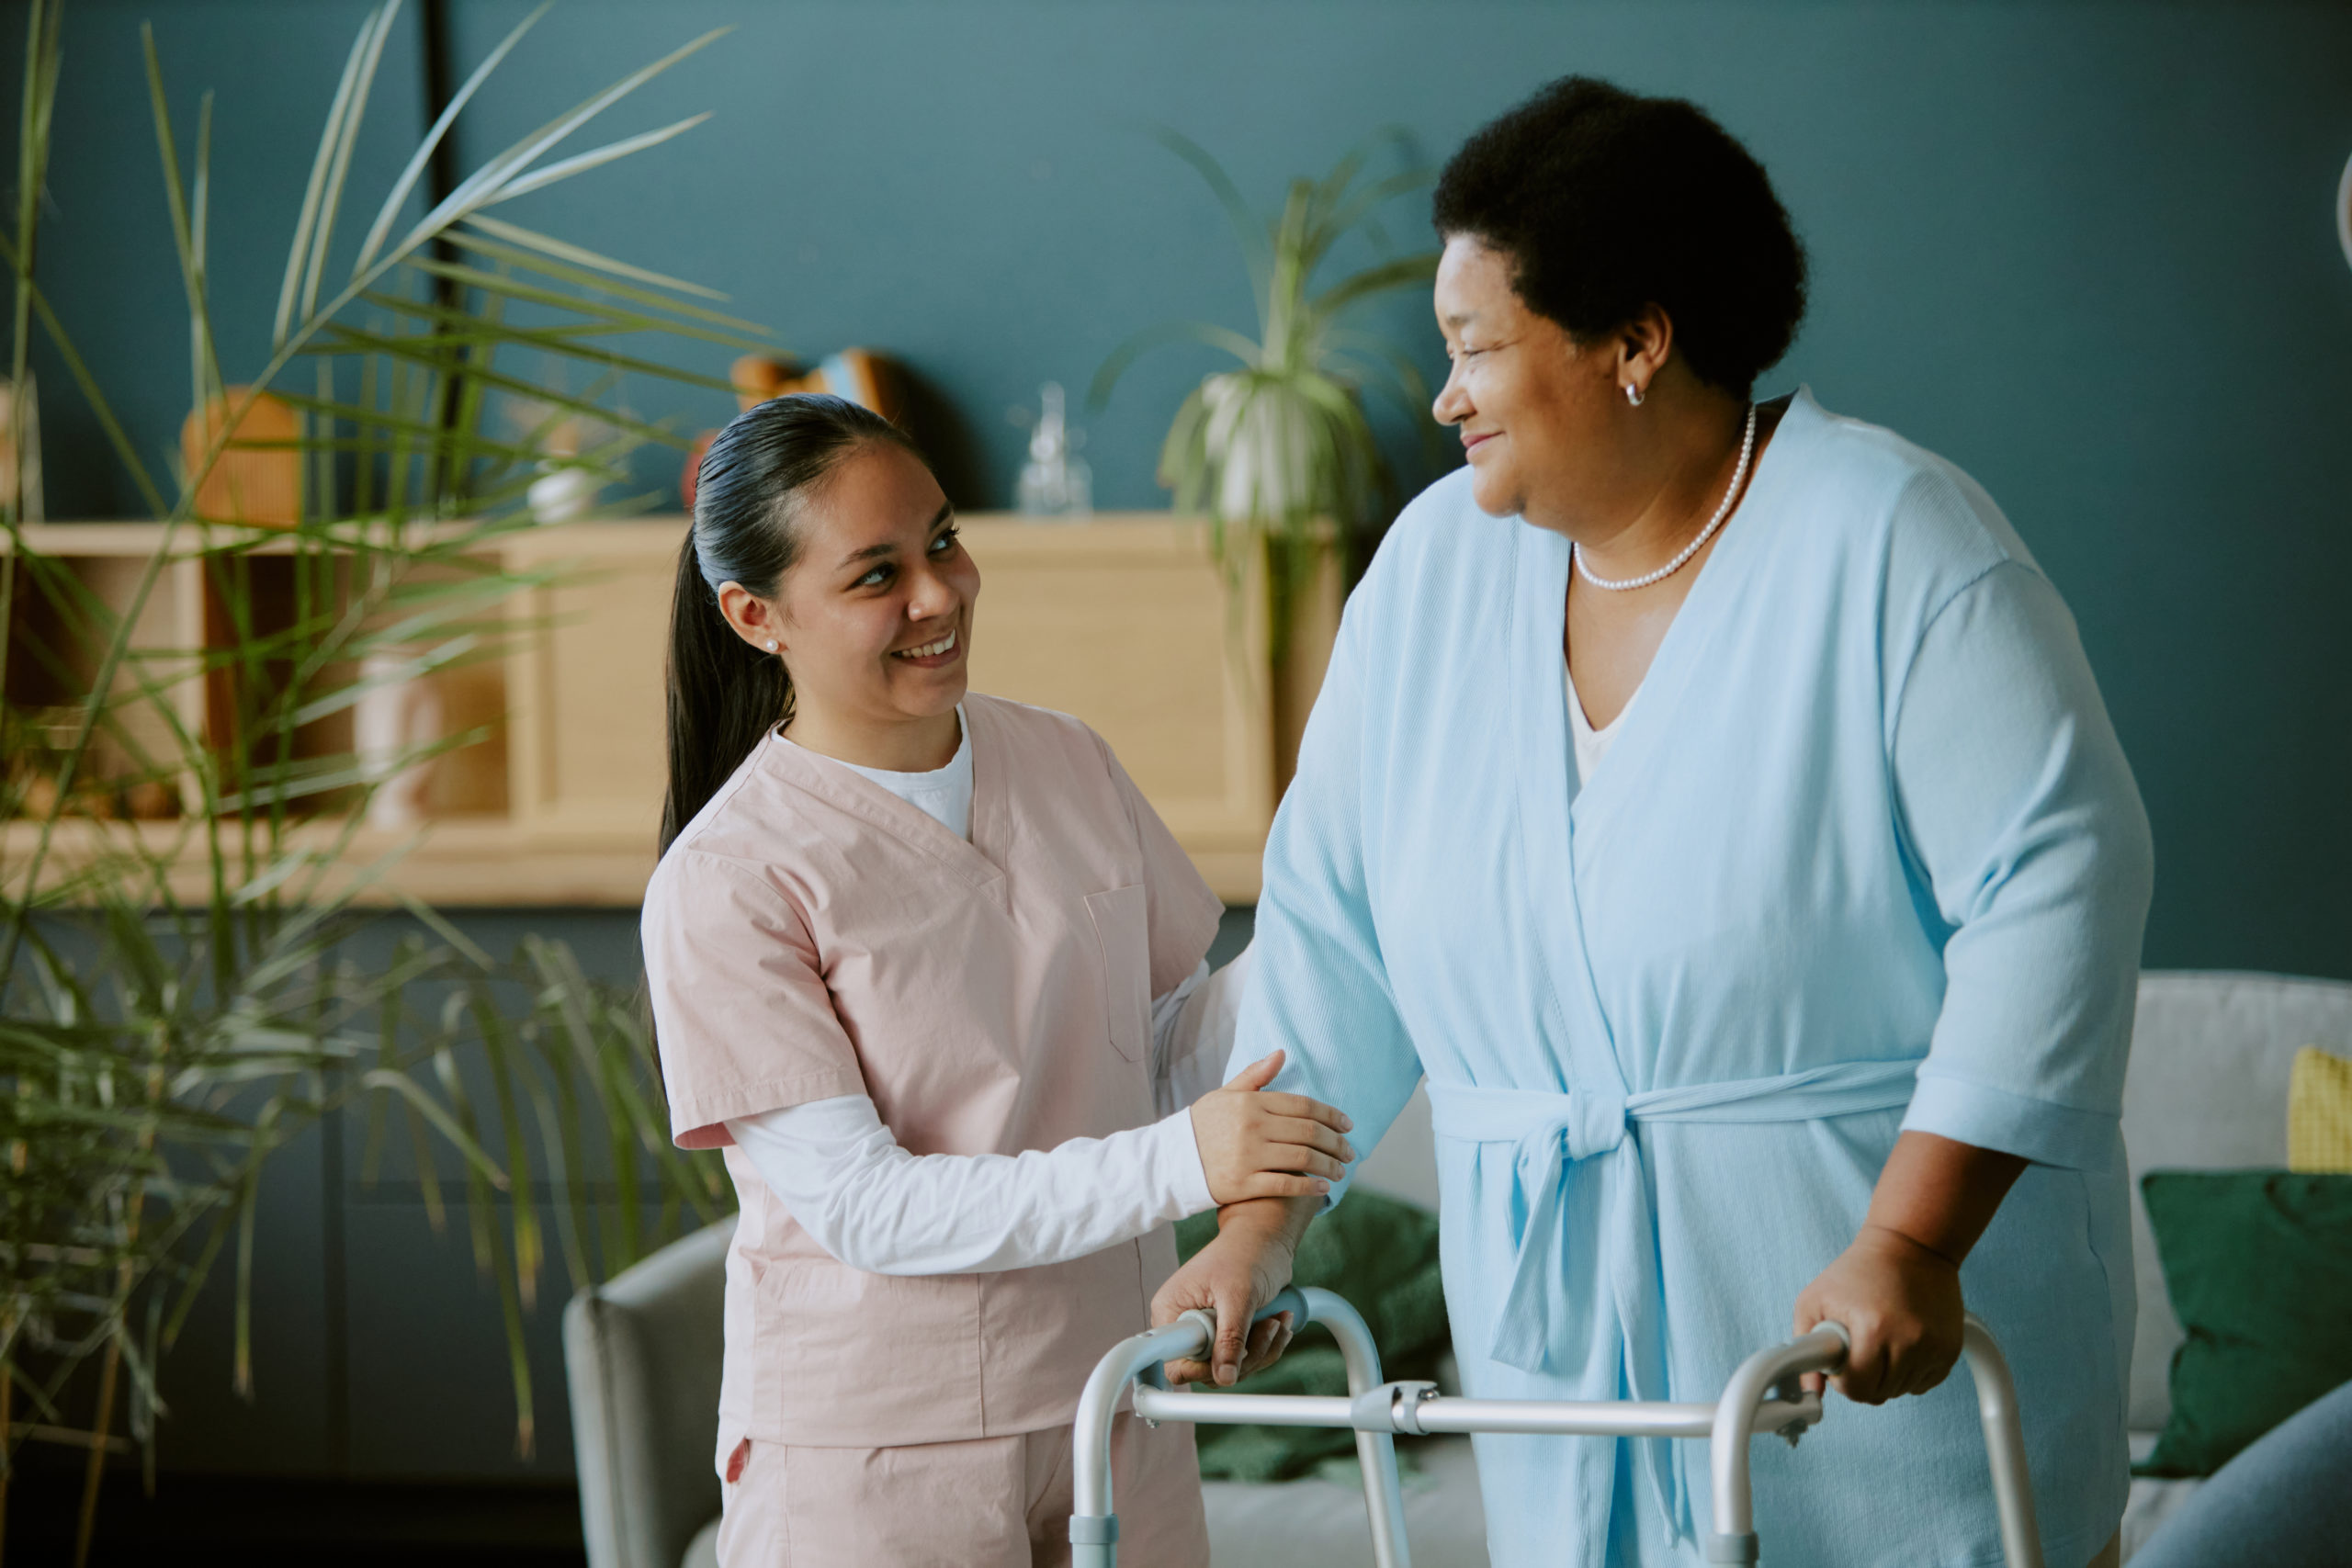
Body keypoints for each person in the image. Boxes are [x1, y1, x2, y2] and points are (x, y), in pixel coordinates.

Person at [1154, 78, 2152, 1568]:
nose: (1448, 396)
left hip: (1870, 1345)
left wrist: (1916, 1240)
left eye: (1478, 346)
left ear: (1635, 340)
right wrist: (1259, 1225)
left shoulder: (1894, 545)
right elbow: (1327, 945)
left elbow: (2059, 885)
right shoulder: (1429, 578)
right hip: (1568, 1367)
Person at [641, 394, 1352, 1567]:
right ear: (755, 615)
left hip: (1115, 1405)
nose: (939, 594)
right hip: (877, 1455)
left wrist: (1349, 929)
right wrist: (1183, 1162)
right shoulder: (728, 881)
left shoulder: (1066, 760)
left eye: (943, 540)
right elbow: (867, 1207)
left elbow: (1160, 1043)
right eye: (876, 576)